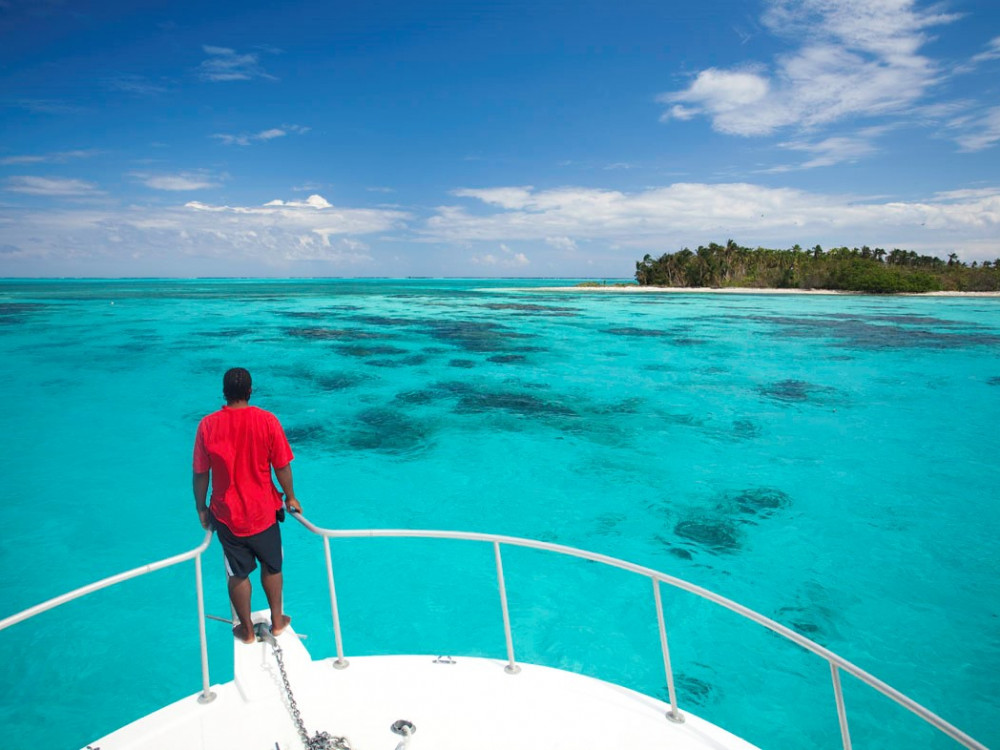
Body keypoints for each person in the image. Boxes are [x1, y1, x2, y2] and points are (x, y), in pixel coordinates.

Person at [192, 367, 302, 644]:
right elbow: (281, 466)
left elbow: (201, 473)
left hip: (228, 516)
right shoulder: (267, 420)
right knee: (272, 566)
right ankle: (277, 622)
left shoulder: (207, 425)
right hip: (263, 511)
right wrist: (290, 496)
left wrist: (201, 507)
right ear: (250, 391)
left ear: (224, 392)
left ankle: (248, 631)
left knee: (237, 573)